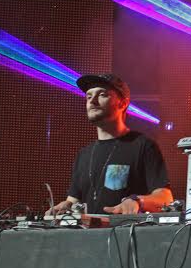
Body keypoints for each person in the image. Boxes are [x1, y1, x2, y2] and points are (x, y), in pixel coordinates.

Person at [48, 73, 173, 215]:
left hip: (125, 229)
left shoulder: (143, 146)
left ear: (123, 103)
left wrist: (137, 201)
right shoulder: (84, 154)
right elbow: (73, 200)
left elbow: (165, 198)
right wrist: (65, 206)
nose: (92, 101)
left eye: (102, 95)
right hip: (86, 230)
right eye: (89, 96)